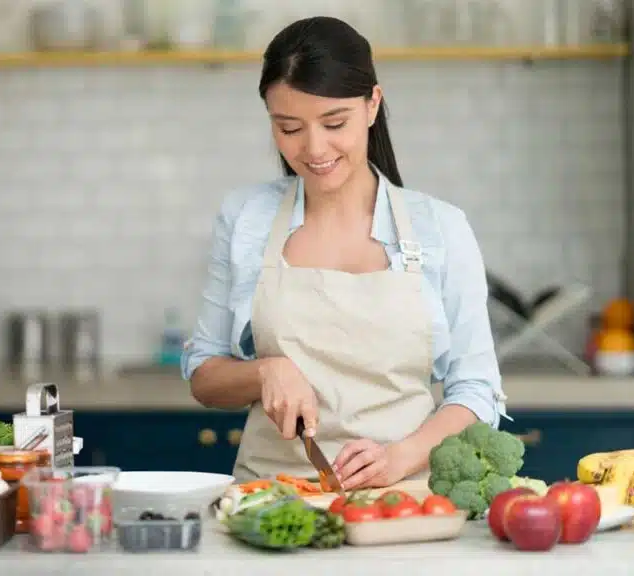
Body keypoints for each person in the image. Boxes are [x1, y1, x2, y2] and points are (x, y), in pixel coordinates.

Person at [181, 16, 508, 489]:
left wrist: (401, 458)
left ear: (372, 104)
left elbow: (477, 391)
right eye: (289, 127)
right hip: (272, 504)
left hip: (403, 505)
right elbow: (205, 377)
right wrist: (263, 372)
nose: (314, 149)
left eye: (335, 123)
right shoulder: (246, 218)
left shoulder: (441, 229)